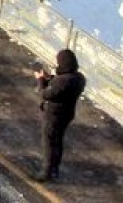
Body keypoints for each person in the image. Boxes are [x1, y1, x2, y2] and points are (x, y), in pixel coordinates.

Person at [33, 49, 86, 183]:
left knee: (49, 142)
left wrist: (41, 81)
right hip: (67, 113)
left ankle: (47, 172)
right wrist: (50, 79)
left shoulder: (62, 81)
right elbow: (60, 88)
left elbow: (45, 94)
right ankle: (54, 169)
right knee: (58, 141)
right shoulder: (79, 78)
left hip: (54, 114)